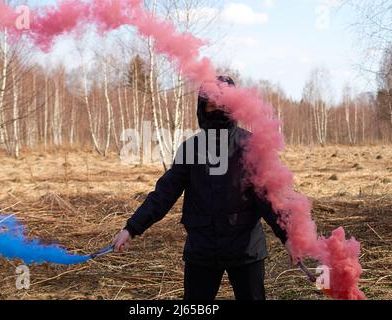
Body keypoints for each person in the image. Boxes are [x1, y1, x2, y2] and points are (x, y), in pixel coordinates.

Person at [113, 76, 289, 300]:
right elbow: (163, 194)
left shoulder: (251, 146)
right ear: (201, 107)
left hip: (245, 251)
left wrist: (289, 238)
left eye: (222, 104)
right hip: (202, 251)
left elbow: (269, 198)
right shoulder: (191, 148)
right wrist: (131, 228)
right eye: (210, 104)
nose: (215, 110)